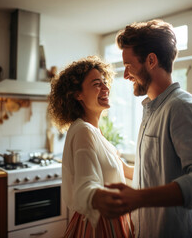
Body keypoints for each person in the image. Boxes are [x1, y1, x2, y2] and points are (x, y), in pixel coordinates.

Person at [99, 20, 192, 237]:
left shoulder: (183, 107)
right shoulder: (152, 110)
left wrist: (139, 198)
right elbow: (156, 174)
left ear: (151, 60)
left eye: (128, 65)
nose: (126, 75)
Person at [47, 56, 134, 238]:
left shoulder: (95, 132)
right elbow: (86, 185)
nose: (105, 88)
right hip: (99, 227)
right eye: (97, 84)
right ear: (78, 94)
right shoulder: (83, 131)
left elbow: (125, 170)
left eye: (104, 82)